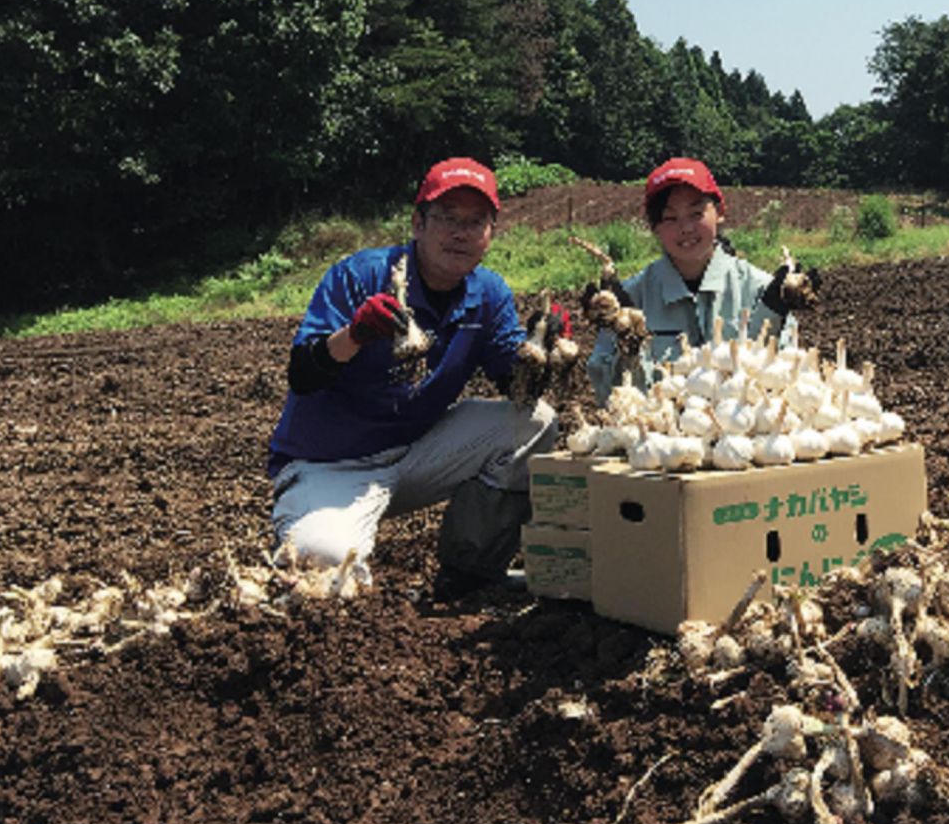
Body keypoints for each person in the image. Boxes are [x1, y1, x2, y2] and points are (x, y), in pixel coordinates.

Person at [268, 156, 560, 599]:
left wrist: (544, 352)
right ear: (418, 224)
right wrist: (357, 334)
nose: (460, 233)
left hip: (417, 454)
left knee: (533, 421)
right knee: (325, 573)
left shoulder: (488, 294)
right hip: (332, 465)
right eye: (447, 218)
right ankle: (310, 519)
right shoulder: (360, 275)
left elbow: (514, 386)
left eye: (475, 221)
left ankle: (470, 573)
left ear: (490, 234)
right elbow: (303, 375)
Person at [586, 157, 819, 405]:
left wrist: (772, 314)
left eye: (696, 213)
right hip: (657, 437)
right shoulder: (629, 301)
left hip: (743, 438)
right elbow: (605, 396)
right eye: (670, 218)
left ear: (719, 212)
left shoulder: (762, 290)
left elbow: (787, 382)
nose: (685, 228)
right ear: (654, 226)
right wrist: (626, 340)